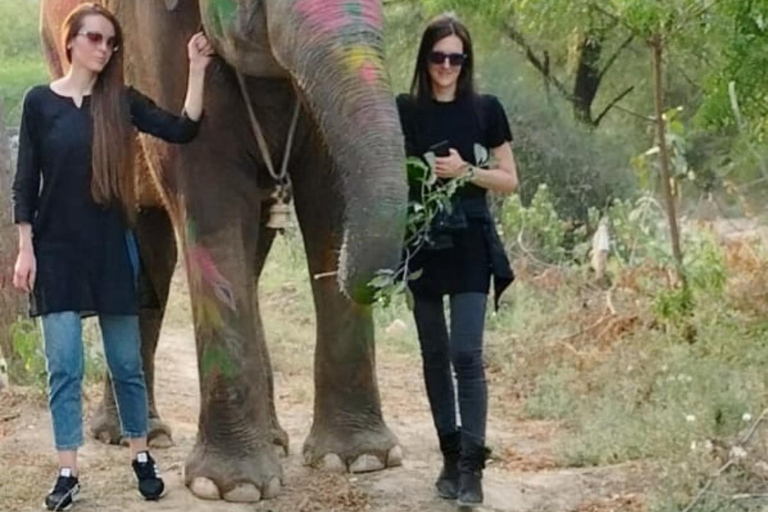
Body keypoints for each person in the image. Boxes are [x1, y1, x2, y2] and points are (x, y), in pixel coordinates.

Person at [11, 3, 213, 510]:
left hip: (111, 248)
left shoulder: (121, 102)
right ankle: (67, 471)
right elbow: (24, 183)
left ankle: (141, 455)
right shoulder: (39, 104)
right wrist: (25, 248)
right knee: (64, 366)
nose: (103, 49)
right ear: (70, 42)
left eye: (110, 42)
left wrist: (195, 69)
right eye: (95, 39)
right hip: (55, 252)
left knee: (127, 363)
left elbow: (183, 128)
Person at [396, 13, 519, 508]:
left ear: (466, 62)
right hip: (422, 243)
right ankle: (448, 455)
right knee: (432, 355)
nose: (447, 66)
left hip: (471, 243)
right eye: (438, 56)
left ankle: (472, 467)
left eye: (456, 58)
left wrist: (467, 171)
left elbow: (509, 178)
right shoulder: (404, 110)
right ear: (425, 59)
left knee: (466, 354)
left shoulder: (486, 110)